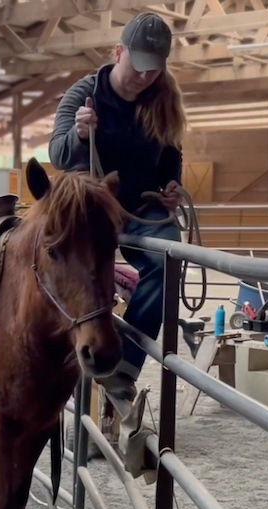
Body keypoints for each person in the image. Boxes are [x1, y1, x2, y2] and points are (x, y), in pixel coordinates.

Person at [48, 11, 186, 402]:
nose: (144, 78)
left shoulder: (163, 98)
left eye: (153, 71)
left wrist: (172, 186)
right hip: (92, 210)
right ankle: (59, 361)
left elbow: (172, 153)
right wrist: (78, 133)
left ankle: (123, 369)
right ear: (118, 52)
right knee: (75, 275)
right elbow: (58, 156)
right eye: (138, 68)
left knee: (167, 261)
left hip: (142, 209)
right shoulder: (84, 94)